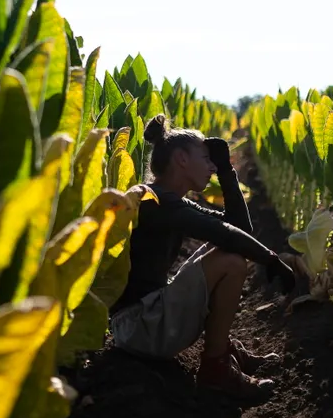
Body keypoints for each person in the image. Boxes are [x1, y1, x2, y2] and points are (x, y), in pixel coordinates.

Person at [109, 114, 297, 399]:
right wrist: (271, 259)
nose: (211, 165)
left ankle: (224, 350)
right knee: (231, 261)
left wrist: (226, 171)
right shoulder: (155, 200)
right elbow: (226, 234)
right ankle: (215, 368)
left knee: (230, 252)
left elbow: (238, 229)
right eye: (207, 158)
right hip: (138, 327)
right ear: (182, 159)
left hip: (145, 319)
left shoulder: (170, 199)